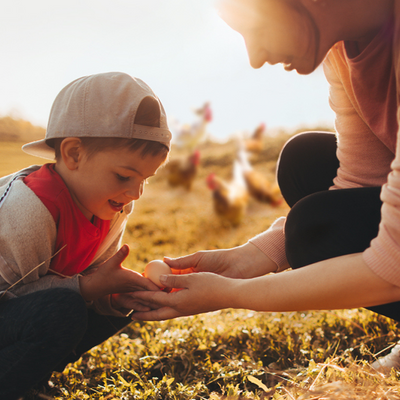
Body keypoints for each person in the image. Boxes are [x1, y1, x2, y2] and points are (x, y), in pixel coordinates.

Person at [127, 0, 400, 372]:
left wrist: (232, 294)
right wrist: (244, 261)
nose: (254, 58)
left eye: (255, 29)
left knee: (311, 227)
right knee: (305, 164)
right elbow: (359, 182)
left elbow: (392, 262)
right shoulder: (340, 51)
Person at [0, 71, 172, 399]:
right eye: (124, 176)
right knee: (62, 309)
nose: (135, 192)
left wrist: (112, 296)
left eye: (145, 180)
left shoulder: (115, 208)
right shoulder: (30, 210)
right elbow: (10, 295)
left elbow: (90, 282)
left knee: (117, 306)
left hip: (23, 316)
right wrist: (87, 288)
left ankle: (28, 377)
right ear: (74, 154)